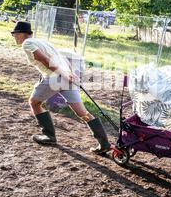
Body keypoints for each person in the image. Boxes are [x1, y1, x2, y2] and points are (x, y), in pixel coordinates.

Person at [10, 21, 111, 155]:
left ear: (21, 34)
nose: (14, 37)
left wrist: (63, 74)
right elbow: (61, 58)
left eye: (15, 34)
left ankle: (49, 135)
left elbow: (45, 60)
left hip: (54, 77)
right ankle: (104, 143)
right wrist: (69, 73)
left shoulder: (27, 43)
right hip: (66, 77)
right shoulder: (43, 42)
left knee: (34, 102)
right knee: (82, 112)